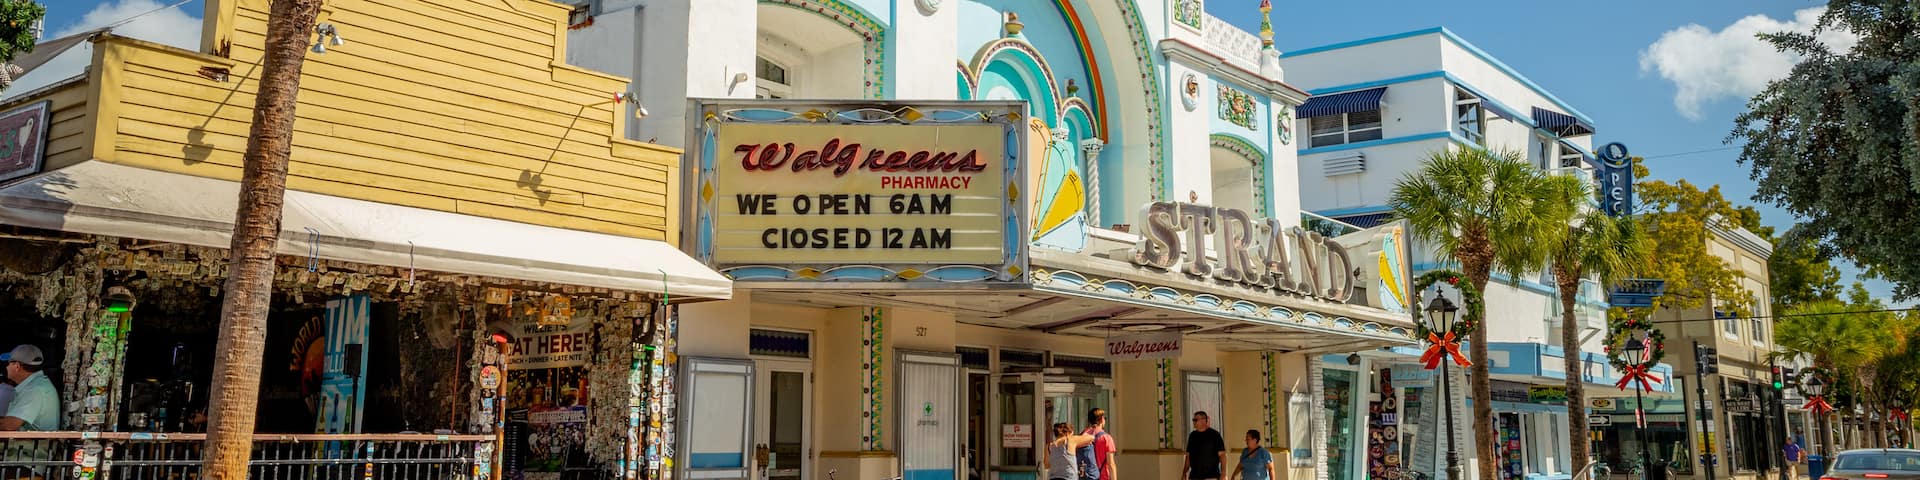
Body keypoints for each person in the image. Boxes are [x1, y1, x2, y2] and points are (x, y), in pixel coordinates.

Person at [0, 344, 60, 431]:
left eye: (8, 363)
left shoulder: (34, 389)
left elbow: (9, 425)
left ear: (17, 366)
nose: (6, 367)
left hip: (37, 443)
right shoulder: (37, 384)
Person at [1184, 411, 1227, 480]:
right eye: (1193, 420)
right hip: (1194, 476)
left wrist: (1223, 473)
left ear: (1203, 420)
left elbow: (1222, 456)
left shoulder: (1215, 435)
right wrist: (1184, 473)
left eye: (1195, 420)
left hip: (1211, 476)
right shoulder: (1192, 436)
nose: (1193, 422)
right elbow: (1188, 457)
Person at [1078, 408, 1117, 480]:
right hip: (1102, 477)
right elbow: (1111, 464)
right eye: (1104, 418)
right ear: (1102, 419)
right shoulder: (1106, 438)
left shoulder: (1083, 435)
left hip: (1086, 476)